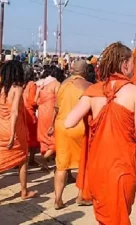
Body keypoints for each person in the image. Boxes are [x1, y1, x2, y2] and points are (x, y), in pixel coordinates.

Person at [65, 42, 136, 225]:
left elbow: (69, 122)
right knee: (120, 216)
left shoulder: (93, 92)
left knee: (105, 219)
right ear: (125, 64)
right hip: (123, 168)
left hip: (98, 168)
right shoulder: (133, 92)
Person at [0, 60, 36, 206]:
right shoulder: (18, 88)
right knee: (22, 159)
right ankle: (23, 191)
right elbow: (14, 111)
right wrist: (13, 133)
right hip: (13, 129)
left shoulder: (0, 89)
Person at [50, 60, 92, 210]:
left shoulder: (62, 85)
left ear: (73, 70)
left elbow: (56, 108)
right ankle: (81, 196)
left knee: (61, 165)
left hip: (62, 126)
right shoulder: (88, 86)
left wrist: (50, 125)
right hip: (80, 127)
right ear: (85, 71)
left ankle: (58, 199)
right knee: (83, 163)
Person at [35, 66, 60, 169]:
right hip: (51, 112)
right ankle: (44, 158)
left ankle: (44, 163)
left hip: (41, 112)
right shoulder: (56, 84)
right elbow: (58, 103)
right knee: (55, 140)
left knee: (43, 139)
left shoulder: (41, 84)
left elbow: (35, 101)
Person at [22, 62, 40, 166]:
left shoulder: (20, 84)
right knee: (32, 138)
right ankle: (31, 159)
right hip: (29, 113)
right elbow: (32, 101)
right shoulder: (32, 84)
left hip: (21, 112)